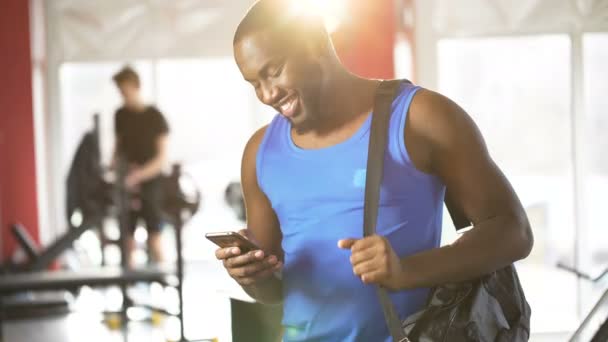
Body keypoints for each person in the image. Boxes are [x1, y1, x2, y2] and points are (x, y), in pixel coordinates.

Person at [215, 0, 534, 340]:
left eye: (274, 70)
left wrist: (406, 271)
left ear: (316, 42)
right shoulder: (260, 153)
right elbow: (275, 290)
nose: (267, 94)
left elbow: (513, 231)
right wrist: (253, 276)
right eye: (254, 83)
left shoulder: (420, 117)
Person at [112, 66, 169, 267]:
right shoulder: (120, 115)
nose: (123, 96)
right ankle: (129, 290)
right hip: (127, 186)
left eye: (125, 90)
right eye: (120, 91)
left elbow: (162, 158)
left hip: (151, 184)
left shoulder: (155, 116)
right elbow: (117, 149)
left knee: (155, 239)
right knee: (127, 242)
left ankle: (167, 290)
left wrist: (139, 176)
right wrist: (115, 171)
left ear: (136, 86)